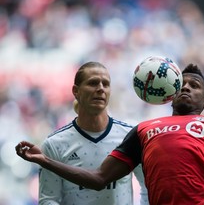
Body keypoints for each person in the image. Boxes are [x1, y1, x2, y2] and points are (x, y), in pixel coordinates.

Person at [16, 63, 204, 205]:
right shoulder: (144, 129)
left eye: (195, 85)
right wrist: (44, 161)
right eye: (183, 84)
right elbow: (99, 178)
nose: (187, 87)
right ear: (169, 91)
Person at [33, 61, 148, 205]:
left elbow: (148, 187)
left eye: (105, 84)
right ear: (76, 91)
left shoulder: (130, 136)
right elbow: (49, 199)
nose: (100, 88)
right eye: (93, 83)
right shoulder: (54, 144)